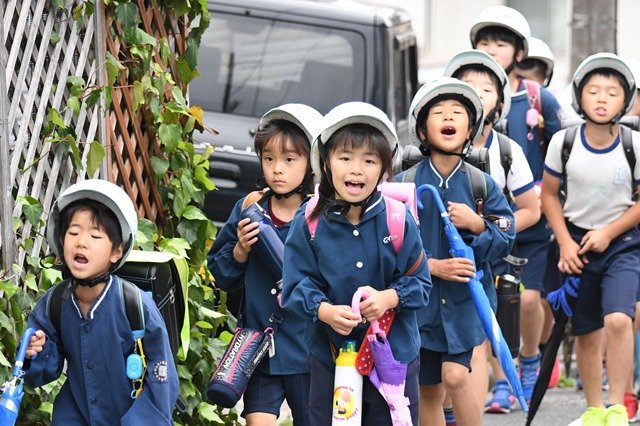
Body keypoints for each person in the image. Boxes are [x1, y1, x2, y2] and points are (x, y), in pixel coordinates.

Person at [281, 101, 430, 426]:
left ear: (383, 167)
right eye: (345, 158)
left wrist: (389, 298)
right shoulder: (308, 222)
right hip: (330, 358)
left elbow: (422, 284)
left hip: (394, 357)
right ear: (326, 162)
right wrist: (326, 312)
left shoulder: (397, 219)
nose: (356, 169)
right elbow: (293, 288)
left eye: (369, 160)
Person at [396, 77, 515, 426]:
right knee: (428, 389)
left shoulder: (481, 183)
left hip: (465, 304)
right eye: (439, 112)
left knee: (456, 376)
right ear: (422, 130)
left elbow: (506, 234)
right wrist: (431, 266)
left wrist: (479, 226)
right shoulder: (404, 183)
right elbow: (388, 245)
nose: (448, 116)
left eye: (457, 112)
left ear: (470, 129)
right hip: (420, 304)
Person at [23, 179, 179, 424]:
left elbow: (163, 381)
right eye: (73, 232)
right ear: (62, 240)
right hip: (73, 416)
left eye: (95, 235)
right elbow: (41, 373)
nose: (81, 242)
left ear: (116, 251)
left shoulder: (135, 305)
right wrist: (35, 352)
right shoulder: (53, 303)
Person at [470, 5, 564, 403]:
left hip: (532, 219)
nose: (492, 49)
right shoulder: (462, 96)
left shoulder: (538, 99)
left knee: (528, 298)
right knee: (492, 302)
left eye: (501, 43)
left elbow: (563, 151)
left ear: (520, 52)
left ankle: (529, 359)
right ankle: (504, 380)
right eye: (485, 42)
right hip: (484, 224)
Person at [540, 52, 640, 426]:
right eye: (593, 91)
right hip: (575, 244)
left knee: (617, 319)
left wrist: (609, 233)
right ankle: (594, 408)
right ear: (579, 96)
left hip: (624, 243)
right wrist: (565, 243)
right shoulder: (563, 142)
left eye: (612, 92)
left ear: (625, 100)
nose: (601, 98)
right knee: (585, 329)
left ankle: (617, 405)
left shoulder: (633, 143)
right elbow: (549, 195)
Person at [208, 103, 323, 425]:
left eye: (289, 160)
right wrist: (240, 251)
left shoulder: (320, 215)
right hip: (260, 349)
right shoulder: (249, 207)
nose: (278, 169)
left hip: (307, 350)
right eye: (269, 158)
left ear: (311, 162)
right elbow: (221, 273)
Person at [443, 49, 540, 415]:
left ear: (500, 101)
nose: (476, 94)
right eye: (466, 86)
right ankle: (454, 405)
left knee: (485, 334)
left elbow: (531, 209)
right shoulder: (426, 155)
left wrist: (487, 227)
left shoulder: (508, 150)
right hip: (442, 263)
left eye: (486, 89)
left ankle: (499, 386)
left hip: (491, 257)